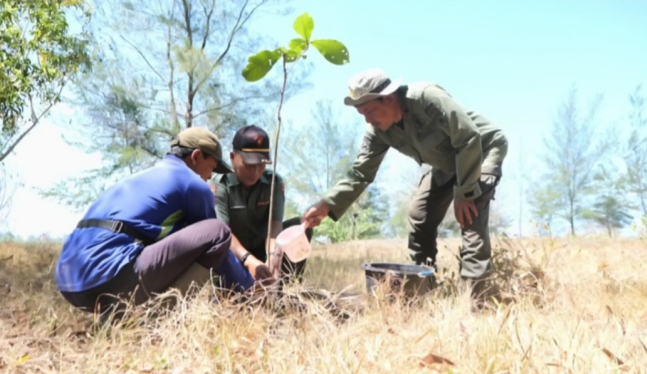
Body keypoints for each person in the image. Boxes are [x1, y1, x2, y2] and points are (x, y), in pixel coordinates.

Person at [302, 68, 508, 297]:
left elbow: (468, 137)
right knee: (419, 214)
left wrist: (465, 193)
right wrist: (327, 204)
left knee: (470, 214)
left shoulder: (427, 98)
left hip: (480, 150)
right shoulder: (377, 131)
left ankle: (477, 297)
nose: (368, 120)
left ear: (389, 98)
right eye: (362, 115)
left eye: (370, 111)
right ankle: (424, 291)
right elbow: (361, 173)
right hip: (446, 163)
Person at [55, 127, 274, 316]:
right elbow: (220, 247)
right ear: (196, 156)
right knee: (218, 232)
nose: (209, 176)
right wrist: (250, 291)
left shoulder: (142, 179)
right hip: (111, 277)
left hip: (69, 284)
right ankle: (156, 319)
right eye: (212, 167)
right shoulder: (192, 185)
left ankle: (116, 317)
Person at [209, 125, 313, 284]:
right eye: (249, 164)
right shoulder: (221, 186)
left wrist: (273, 258)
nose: (255, 171)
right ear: (232, 157)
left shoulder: (274, 182)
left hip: (263, 249)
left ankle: (284, 286)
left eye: (261, 164)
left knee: (300, 227)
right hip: (235, 253)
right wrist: (248, 260)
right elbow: (223, 234)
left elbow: (275, 226)